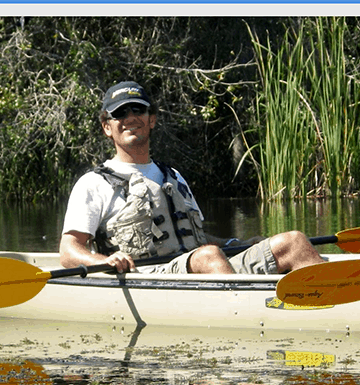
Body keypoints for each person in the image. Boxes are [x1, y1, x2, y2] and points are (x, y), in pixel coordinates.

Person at [59, 81, 325, 275]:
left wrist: (237, 243)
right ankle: (248, 315)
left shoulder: (173, 176)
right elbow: (69, 251)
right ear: (107, 127)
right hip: (146, 277)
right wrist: (104, 262)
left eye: (138, 110)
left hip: (204, 265)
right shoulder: (93, 184)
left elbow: (196, 237)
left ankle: (337, 299)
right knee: (207, 257)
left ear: (151, 120)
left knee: (294, 242)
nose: (130, 118)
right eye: (120, 113)